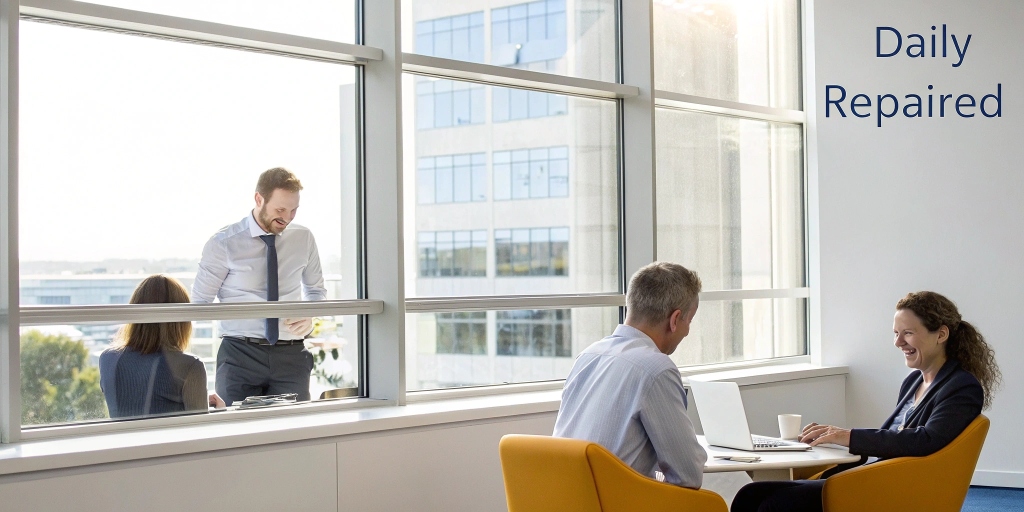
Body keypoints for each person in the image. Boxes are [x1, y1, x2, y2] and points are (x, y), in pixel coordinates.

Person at [731, 291, 1001, 512]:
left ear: (941, 334)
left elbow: (926, 440)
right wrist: (834, 439)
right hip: (878, 475)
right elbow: (893, 438)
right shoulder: (913, 382)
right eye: (895, 333)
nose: (898, 342)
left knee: (775, 505)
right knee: (750, 494)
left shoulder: (962, 386)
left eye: (907, 333)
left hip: (900, 486)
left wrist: (847, 436)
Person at [553, 261, 707, 489]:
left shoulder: (588, 356)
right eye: (689, 321)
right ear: (675, 320)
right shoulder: (657, 369)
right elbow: (688, 474)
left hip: (567, 497)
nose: (688, 331)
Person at [192, 167, 327, 405]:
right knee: (237, 435)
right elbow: (200, 302)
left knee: (296, 435)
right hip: (239, 354)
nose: (287, 217)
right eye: (280, 210)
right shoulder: (223, 243)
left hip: (291, 354)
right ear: (259, 199)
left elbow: (316, 291)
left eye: (294, 210)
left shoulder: (303, 238)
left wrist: (309, 314)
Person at [100, 275, 224, 418]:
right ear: (181, 321)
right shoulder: (190, 366)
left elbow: (135, 399)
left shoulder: (107, 359)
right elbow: (200, 431)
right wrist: (219, 411)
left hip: (121, 440)